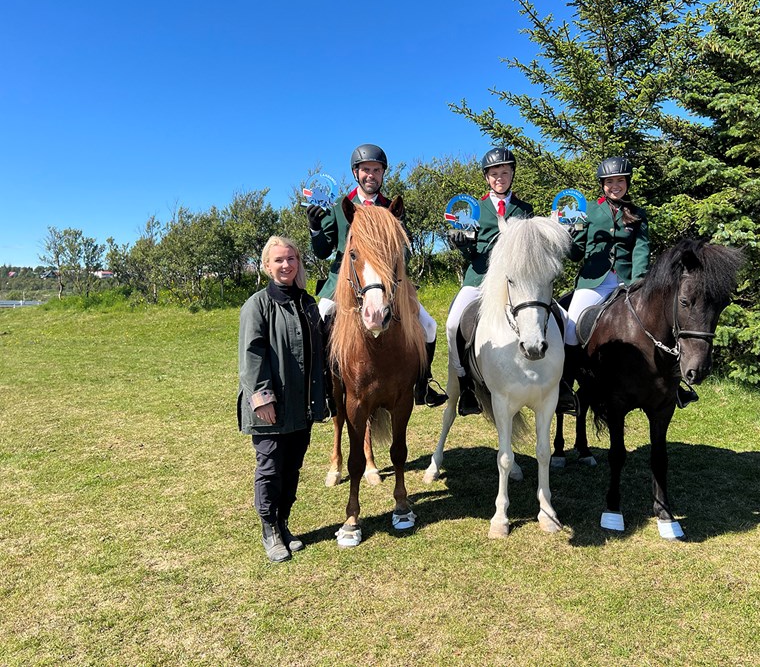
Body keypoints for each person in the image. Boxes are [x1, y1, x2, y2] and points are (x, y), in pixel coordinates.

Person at [306, 144, 447, 408]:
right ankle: (324, 388)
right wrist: (315, 229)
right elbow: (323, 251)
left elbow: (402, 250)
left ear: (382, 174)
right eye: (366, 170)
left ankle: (423, 384)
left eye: (376, 170)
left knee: (429, 325)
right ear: (356, 173)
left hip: (385, 282)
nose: (371, 175)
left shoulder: (390, 207)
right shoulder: (340, 207)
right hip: (343, 281)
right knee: (320, 319)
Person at [446, 146, 579, 416]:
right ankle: (466, 382)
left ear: (512, 174)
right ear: (487, 177)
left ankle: (563, 383)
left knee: (564, 319)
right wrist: (462, 245)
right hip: (480, 279)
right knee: (452, 323)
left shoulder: (525, 209)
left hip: (519, 282)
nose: (500, 178)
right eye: (494, 174)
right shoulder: (476, 210)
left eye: (504, 172)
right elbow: (472, 253)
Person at [563, 157, 698, 407]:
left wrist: (639, 282)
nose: (615, 186)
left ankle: (674, 386)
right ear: (602, 184)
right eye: (610, 182)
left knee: (660, 324)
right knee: (570, 328)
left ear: (627, 183)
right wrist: (569, 236)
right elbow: (575, 254)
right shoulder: (587, 210)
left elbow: (641, 249)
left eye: (620, 181)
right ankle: (565, 386)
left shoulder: (637, 214)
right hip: (594, 282)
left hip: (628, 282)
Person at [238, 236, 329, 563]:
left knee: (292, 467)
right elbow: (251, 356)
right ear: (267, 266)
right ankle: (270, 530)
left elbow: (320, 351)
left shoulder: (307, 303)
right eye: (278, 260)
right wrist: (262, 398)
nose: (286, 265)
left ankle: (283, 523)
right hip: (270, 407)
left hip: (301, 405)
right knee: (270, 467)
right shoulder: (258, 305)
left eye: (291, 259)